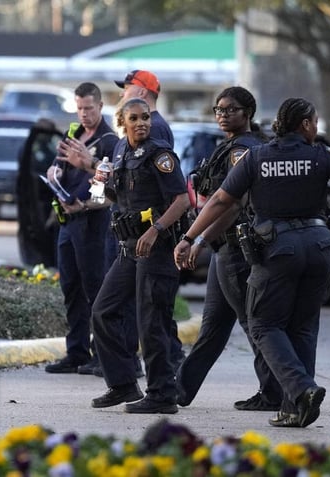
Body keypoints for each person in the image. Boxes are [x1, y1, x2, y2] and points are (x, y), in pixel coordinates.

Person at [174, 98, 330, 427]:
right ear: (306, 125)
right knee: (303, 328)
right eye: (313, 121)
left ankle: (302, 389)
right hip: (319, 246)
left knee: (264, 324)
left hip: (277, 250)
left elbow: (221, 200)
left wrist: (190, 238)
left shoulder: (257, 157)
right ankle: (296, 408)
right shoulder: (320, 156)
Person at [173, 86, 281, 411]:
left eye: (230, 110)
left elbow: (232, 206)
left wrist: (200, 239)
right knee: (213, 327)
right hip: (224, 249)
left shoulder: (243, 150)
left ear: (247, 114)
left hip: (235, 249)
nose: (222, 115)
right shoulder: (232, 146)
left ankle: (276, 392)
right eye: (218, 109)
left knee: (253, 323)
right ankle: (179, 389)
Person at [90, 97, 190, 414]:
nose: (141, 123)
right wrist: (101, 181)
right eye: (134, 118)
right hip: (129, 248)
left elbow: (182, 200)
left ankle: (162, 394)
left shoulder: (160, 155)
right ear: (124, 122)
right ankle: (122, 384)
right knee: (102, 311)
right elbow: (115, 197)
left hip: (156, 249)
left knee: (152, 322)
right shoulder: (121, 150)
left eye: (145, 117)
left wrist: (156, 229)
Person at [43, 82, 119, 374]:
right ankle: (76, 352)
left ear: (100, 106)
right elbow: (57, 164)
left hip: (93, 223)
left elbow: (108, 188)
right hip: (67, 220)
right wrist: (54, 171)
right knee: (70, 288)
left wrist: (85, 205)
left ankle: (103, 355)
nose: (84, 114)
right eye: (80, 108)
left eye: (89, 108)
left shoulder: (109, 141)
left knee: (96, 290)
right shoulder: (73, 133)